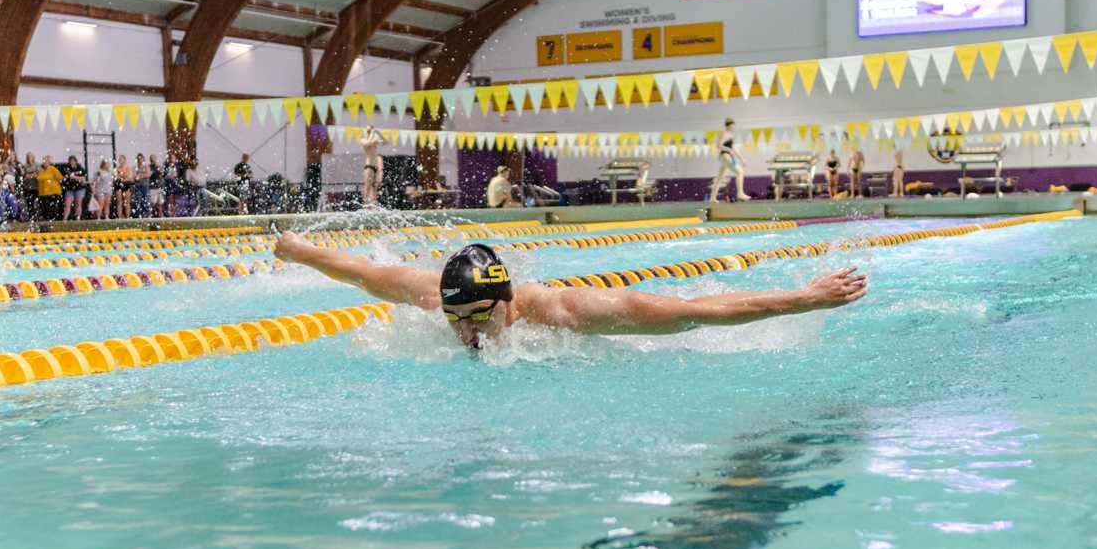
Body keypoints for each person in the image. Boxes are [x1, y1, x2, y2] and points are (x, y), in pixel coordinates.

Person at [275, 233, 870, 354]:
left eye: (478, 321)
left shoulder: (570, 312)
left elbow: (699, 314)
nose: (465, 334)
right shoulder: (438, 296)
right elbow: (358, 270)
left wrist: (805, 298)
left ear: (506, 301)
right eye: (456, 320)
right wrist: (298, 249)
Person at [708, 119, 745, 202]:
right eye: (732, 125)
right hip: (725, 155)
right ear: (728, 125)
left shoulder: (730, 135)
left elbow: (733, 149)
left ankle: (712, 198)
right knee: (739, 172)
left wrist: (741, 158)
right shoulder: (724, 133)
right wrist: (728, 149)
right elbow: (718, 145)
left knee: (720, 178)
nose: (733, 127)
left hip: (726, 156)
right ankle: (740, 193)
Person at [37, 155, 63, 221]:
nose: (44, 162)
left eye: (45, 161)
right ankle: (47, 219)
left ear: (49, 162)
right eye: (43, 161)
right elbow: (39, 179)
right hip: (43, 193)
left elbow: (60, 178)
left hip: (53, 192)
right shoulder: (41, 171)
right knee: (45, 208)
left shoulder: (53, 169)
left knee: (52, 207)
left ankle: (54, 220)